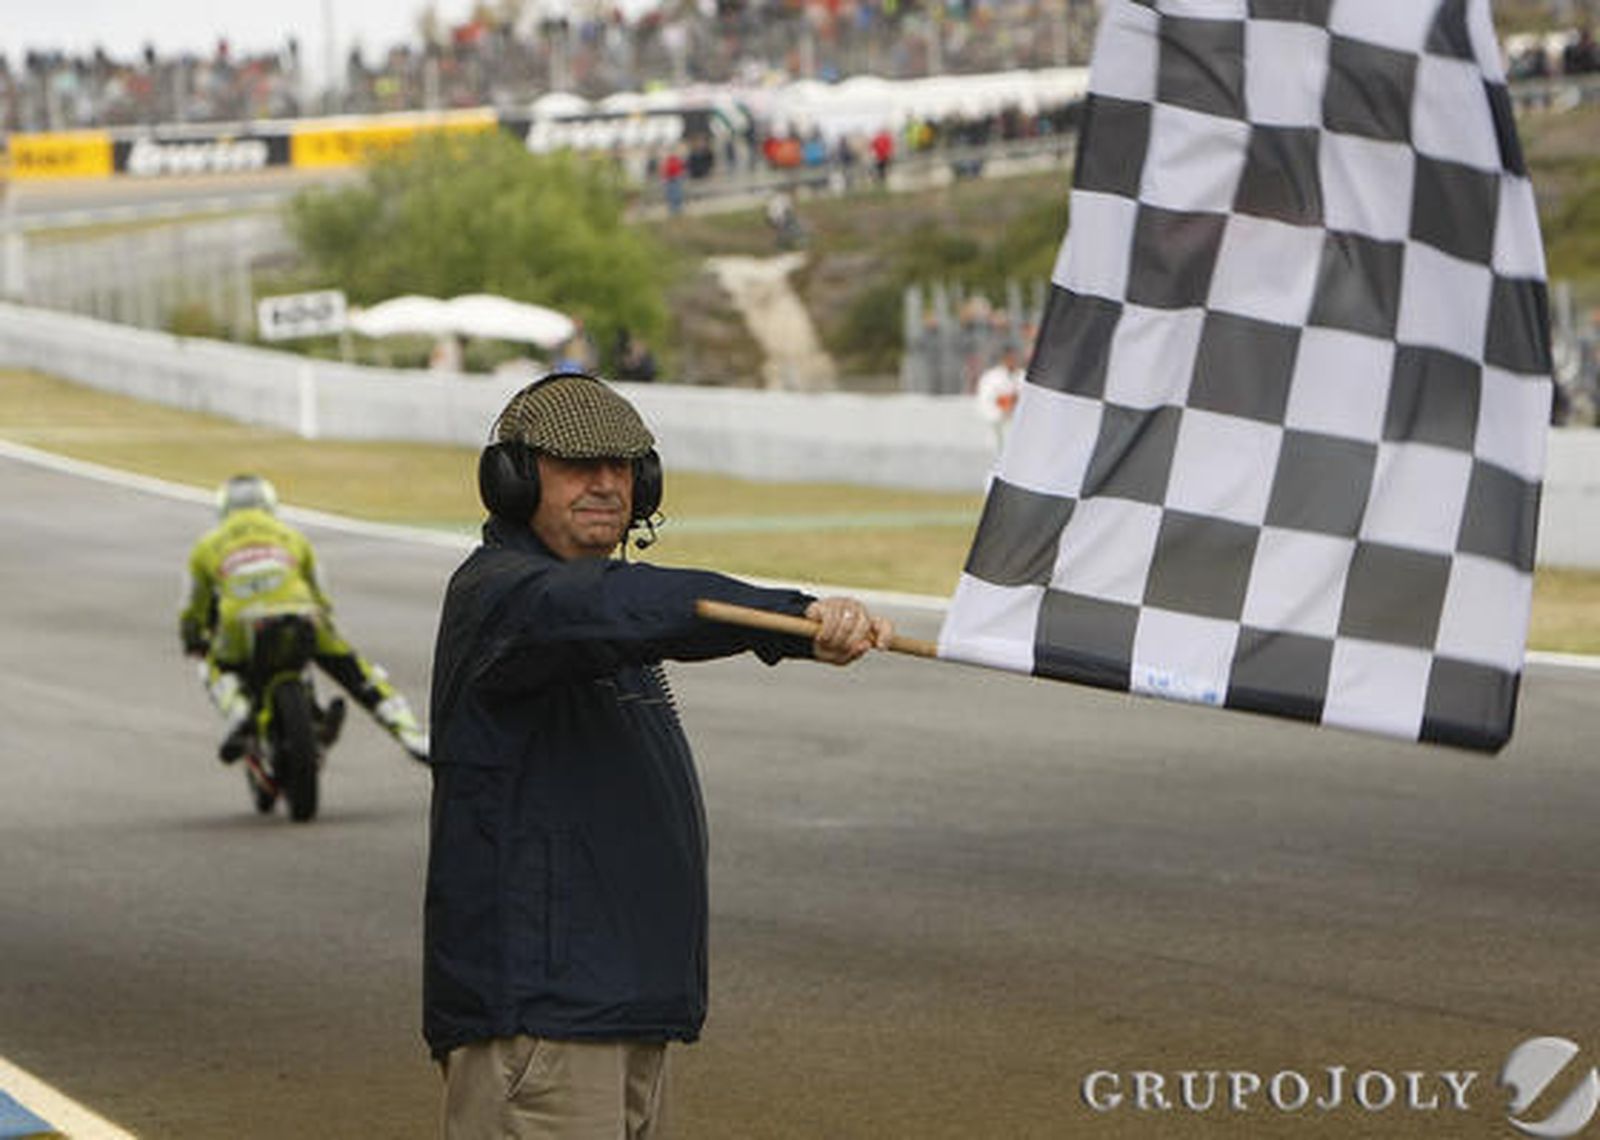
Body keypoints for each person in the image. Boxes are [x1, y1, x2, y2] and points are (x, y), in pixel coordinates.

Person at [424, 371, 892, 1139]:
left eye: (625, 466)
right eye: (577, 465)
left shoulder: (595, 614)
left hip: (619, 1009)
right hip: (544, 1023)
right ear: (511, 480)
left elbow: (623, 606)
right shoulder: (508, 597)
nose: (607, 484)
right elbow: (621, 602)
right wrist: (792, 619)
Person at [179, 474, 429, 765]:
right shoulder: (291, 535)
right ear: (269, 505)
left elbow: (192, 606)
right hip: (301, 614)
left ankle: (239, 713)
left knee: (212, 666)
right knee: (357, 672)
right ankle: (409, 732)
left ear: (223, 509)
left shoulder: (206, 545)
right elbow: (320, 592)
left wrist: (192, 637)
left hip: (241, 622)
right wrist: (325, 621)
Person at [975, 344, 1025, 453]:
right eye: (1009, 358)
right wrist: (1003, 404)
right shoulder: (991, 378)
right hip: (998, 424)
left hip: (1018, 424)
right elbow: (985, 401)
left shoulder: (1023, 377)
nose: (1012, 361)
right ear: (1003, 359)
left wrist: (1016, 401)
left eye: (1014, 358)